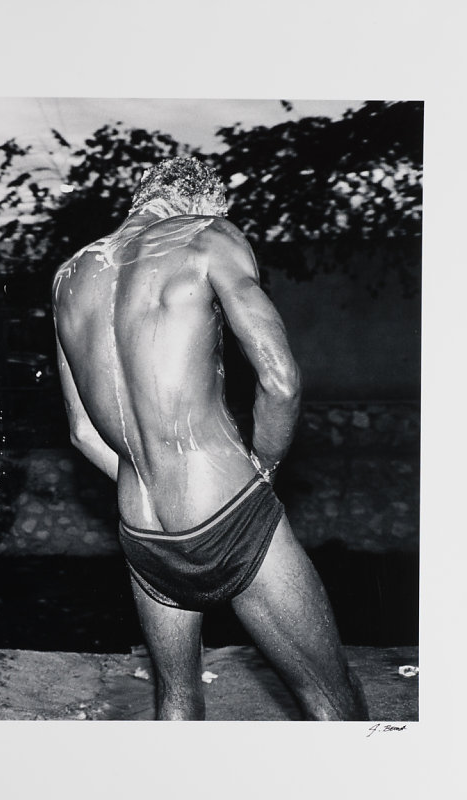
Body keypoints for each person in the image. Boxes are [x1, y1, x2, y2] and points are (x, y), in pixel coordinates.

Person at [52, 156, 368, 720]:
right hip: (224, 504)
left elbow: (80, 431)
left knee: (176, 700)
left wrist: (149, 472)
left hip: (140, 525)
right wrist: (263, 472)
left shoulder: (70, 276)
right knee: (332, 697)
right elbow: (279, 379)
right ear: (202, 203)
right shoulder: (207, 235)